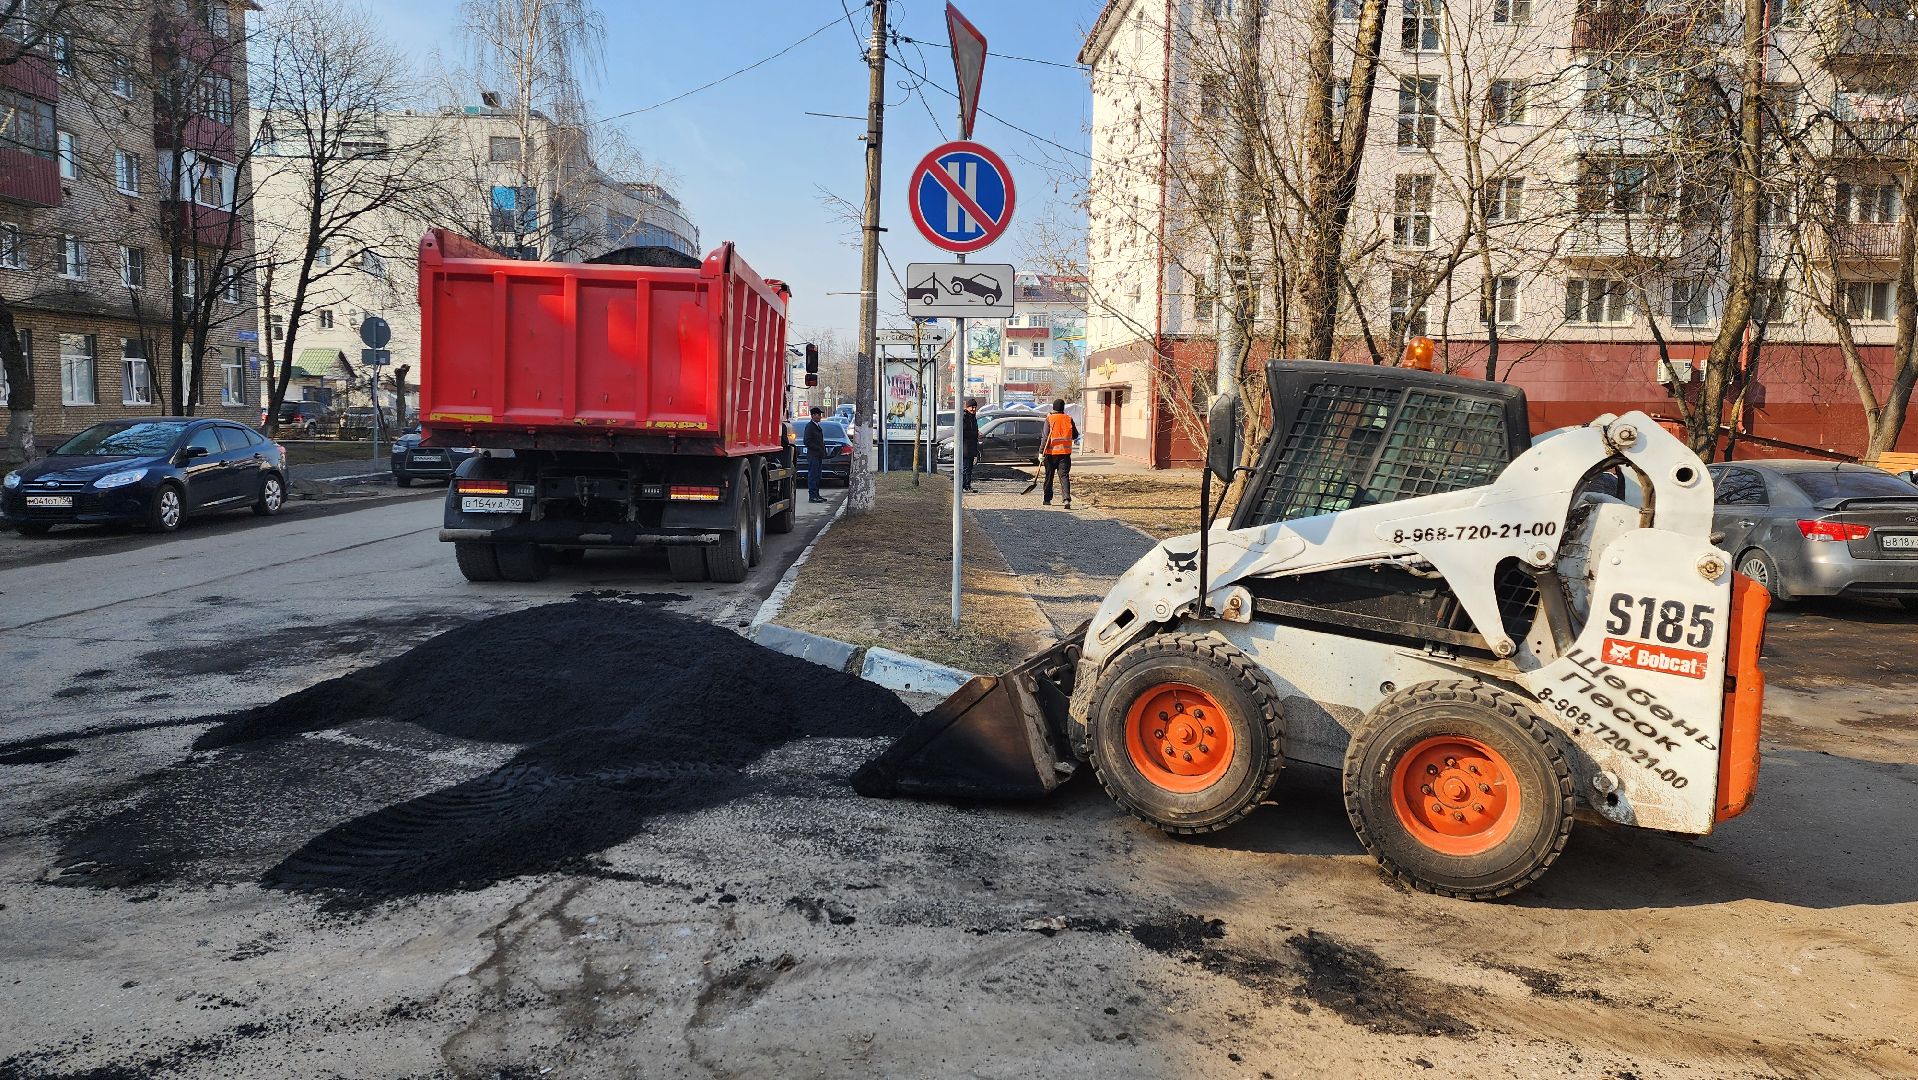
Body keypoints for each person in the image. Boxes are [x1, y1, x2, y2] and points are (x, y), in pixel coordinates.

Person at [1042, 397, 1078, 509]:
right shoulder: (1069, 418)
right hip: (1065, 453)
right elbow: (1075, 435)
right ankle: (1066, 499)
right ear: (1063, 408)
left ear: (1053, 407)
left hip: (1051, 454)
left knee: (1049, 476)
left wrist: (1040, 452)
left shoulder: (1049, 419)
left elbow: (1045, 437)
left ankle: (1047, 499)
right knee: (1064, 476)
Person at [803, 406, 828, 504]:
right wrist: (818, 448)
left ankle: (817, 495)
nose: (820, 417)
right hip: (813, 455)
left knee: (818, 475)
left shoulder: (817, 426)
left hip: (818, 455)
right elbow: (807, 441)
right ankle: (812, 496)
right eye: (819, 415)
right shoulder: (810, 426)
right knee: (813, 476)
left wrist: (822, 449)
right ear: (813, 415)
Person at [960, 398, 981, 493]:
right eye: (971, 407)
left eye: (975, 407)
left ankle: (967, 485)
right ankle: (963, 485)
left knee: (970, 468)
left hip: (972, 446)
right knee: (965, 468)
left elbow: (972, 430)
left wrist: (976, 433)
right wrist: (975, 433)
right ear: (967, 407)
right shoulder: (964, 417)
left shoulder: (973, 417)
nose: (973, 409)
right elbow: (963, 432)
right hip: (965, 447)